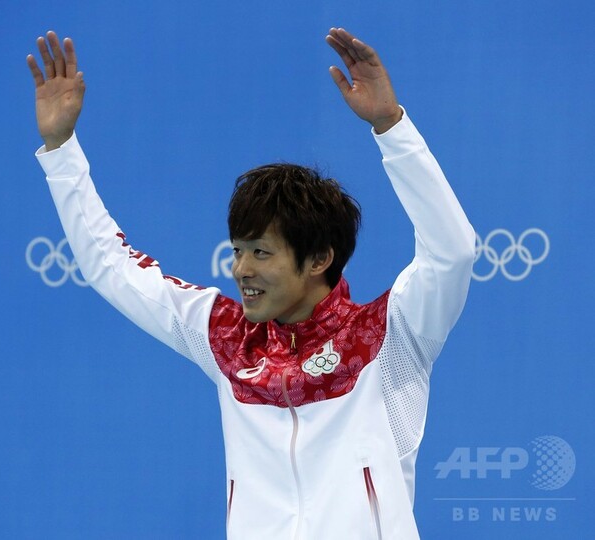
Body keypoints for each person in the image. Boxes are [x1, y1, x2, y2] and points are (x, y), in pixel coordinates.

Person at [27, 27, 475, 540]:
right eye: (238, 250)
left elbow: (453, 250)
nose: (241, 269)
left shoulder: (390, 335)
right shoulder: (224, 338)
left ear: (319, 259)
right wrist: (60, 149)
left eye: (261, 252)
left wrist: (391, 126)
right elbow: (110, 265)